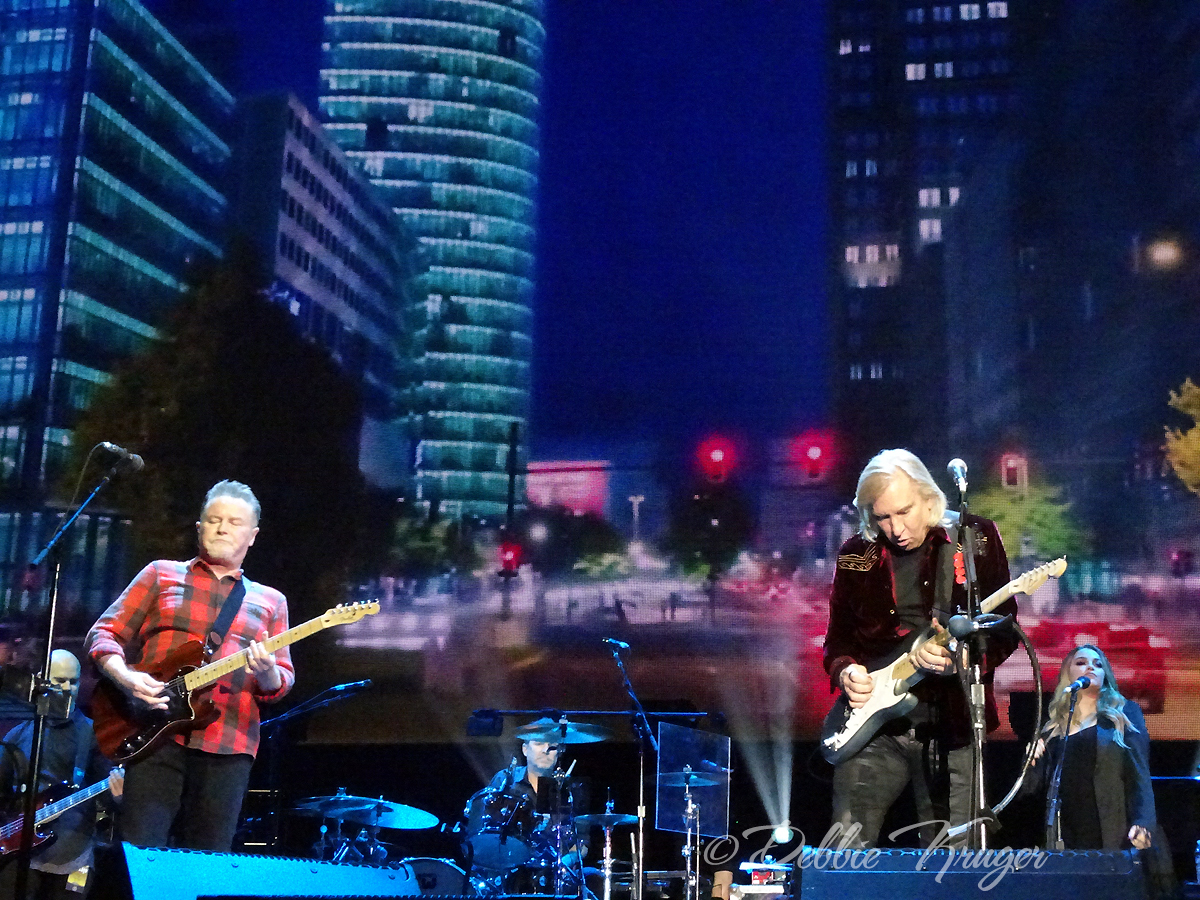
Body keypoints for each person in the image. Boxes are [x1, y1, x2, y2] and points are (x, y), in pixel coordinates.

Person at [84, 480, 294, 851]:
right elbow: (103, 634)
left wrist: (267, 672)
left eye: (234, 522)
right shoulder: (160, 574)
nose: (222, 528)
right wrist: (126, 677)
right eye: (214, 520)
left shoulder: (271, 601)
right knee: (141, 857)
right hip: (152, 734)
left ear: (252, 536)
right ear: (199, 528)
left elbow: (280, 683)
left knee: (208, 864)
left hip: (228, 743)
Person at [822, 449, 1017, 847]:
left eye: (904, 511)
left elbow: (1004, 630)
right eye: (882, 517)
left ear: (928, 497)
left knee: (954, 861)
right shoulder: (856, 554)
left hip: (951, 727)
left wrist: (962, 660)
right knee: (844, 851)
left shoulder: (973, 538)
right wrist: (845, 670)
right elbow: (838, 639)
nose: (895, 528)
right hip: (874, 729)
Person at [0, 650, 123, 900]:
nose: (67, 687)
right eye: (59, 680)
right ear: (42, 681)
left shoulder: (94, 734)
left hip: (74, 854)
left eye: (73, 681)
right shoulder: (18, 734)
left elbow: (111, 796)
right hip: (19, 849)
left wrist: (118, 797)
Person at [1028, 645, 1155, 850]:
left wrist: (1143, 821)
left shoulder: (1124, 714)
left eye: (1098, 665)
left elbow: (1139, 773)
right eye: (1081, 663)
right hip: (1066, 837)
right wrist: (1030, 761)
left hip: (1111, 833)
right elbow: (1031, 790)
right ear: (1068, 674)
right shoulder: (1053, 729)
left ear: (1105, 675)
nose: (1090, 667)